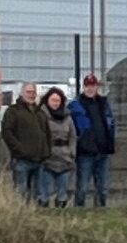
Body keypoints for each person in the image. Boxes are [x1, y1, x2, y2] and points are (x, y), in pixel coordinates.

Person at [69, 74, 116, 208]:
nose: (90, 89)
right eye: (88, 86)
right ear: (84, 87)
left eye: (93, 86)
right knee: (82, 186)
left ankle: (101, 210)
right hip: (85, 152)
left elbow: (111, 124)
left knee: (103, 187)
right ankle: (79, 210)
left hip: (103, 151)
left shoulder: (104, 104)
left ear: (97, 87)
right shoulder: (75, 105)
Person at [0, 82, 48, 200]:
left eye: (33, 93)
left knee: (39, 195)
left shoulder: (40, 113)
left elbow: (47, 133)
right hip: (22, 160)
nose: (31, 95)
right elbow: (7, 132)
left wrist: (46, 151)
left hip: (39, 159)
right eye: (28, 92)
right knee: (21, 193)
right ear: (21, 93)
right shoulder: (13, 111)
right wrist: (19, 149)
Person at [37, 87, 76, 207]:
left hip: (65, 158)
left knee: (62, 192)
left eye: (58, 100)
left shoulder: (67, 117)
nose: (55, 103)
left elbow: (73, 136)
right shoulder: (41, 115)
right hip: (47, 157)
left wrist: (72, 152)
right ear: (47, 100)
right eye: (53, 100)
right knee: (45, 192)